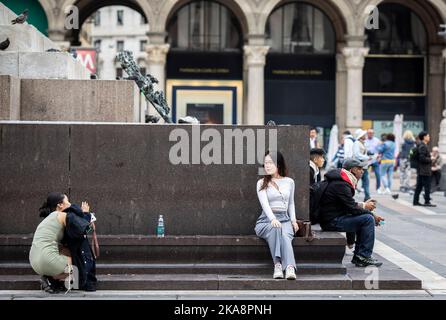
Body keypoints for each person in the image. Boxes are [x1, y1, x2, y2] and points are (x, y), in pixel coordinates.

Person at [318, 159, 385, 267]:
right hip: (331, 221)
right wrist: (372, 214)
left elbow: (348, 205)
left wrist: (364, 206)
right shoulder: (341, 184)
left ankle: (360, 256)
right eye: (359, 168)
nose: (362, 171)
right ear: (351, 170)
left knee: (365, 217)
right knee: (367, 219)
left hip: (333, 217)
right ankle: (363, 256)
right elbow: (352, 209)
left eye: (362, 169)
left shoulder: (342, 181)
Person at [255, 151, 299, 280]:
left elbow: (291, 203)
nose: (267, 166)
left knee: (285, 235)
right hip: (266, 221)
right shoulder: (261, 183)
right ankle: (278, 265)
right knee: (275, 228)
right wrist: (273, 219)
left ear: (278, 164)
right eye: (265, 163)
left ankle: (290, 267)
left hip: (284, 219)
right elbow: (265, 205)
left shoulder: (289, 182)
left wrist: (293, 220)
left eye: (270, 163)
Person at [29, 192, 74, 293]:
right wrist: (86, 215)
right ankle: (52, 278)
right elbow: (78, 230)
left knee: (64, 250)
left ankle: (49, 277)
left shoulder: (47, 219)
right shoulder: (62, 215)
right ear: (60, 205)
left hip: (34, 261)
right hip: (47, 259)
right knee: (77, 262)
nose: (70, 204)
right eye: (68, 201)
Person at [413, 131, 436, 207]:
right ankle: (427, 201)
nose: (429, 137)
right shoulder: (423, 146)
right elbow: (422, 158)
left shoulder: (420, 145)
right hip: (424, 169)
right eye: (428, 136)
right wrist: (431, 158)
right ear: (424, 137)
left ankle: (415, 201)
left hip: (421, 169)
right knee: (427, 186)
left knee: (419, 186)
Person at [353, 129, 371, 201]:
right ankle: (350, 195)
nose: (365, 136)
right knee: (355, 181)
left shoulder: (363, 143)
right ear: (360, 136)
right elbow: (357, 154)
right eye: (364, 135)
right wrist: (367, 157)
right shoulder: (357, 143)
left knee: (366, 181)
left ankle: (367, 196)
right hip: (358, 166)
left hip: (363, 166)